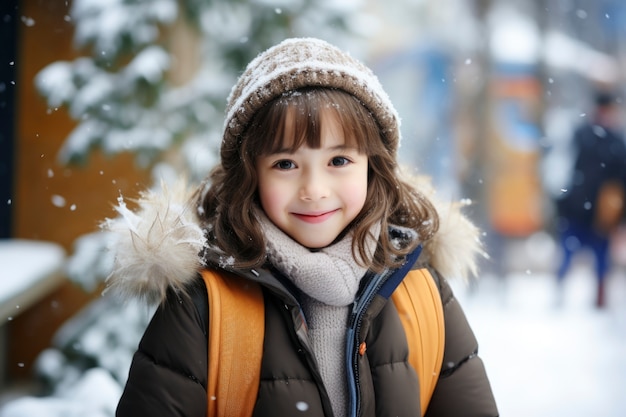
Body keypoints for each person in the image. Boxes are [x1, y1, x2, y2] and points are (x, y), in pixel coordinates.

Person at [108, 38, 499, 416]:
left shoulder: (422, 293)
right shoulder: (204, 306)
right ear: (251, 175)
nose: (314, 190)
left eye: (339, 160)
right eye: (285, 164)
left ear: (372, 167)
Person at [555, 90, 626, 308]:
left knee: (602, 263)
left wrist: (619, 218)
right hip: (576, 208)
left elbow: (622, 182)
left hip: (601, 215)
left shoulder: (616, 142)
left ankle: (600, 300)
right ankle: (558, 295)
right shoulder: (581, 135)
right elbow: (562, 168)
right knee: (566, 256)